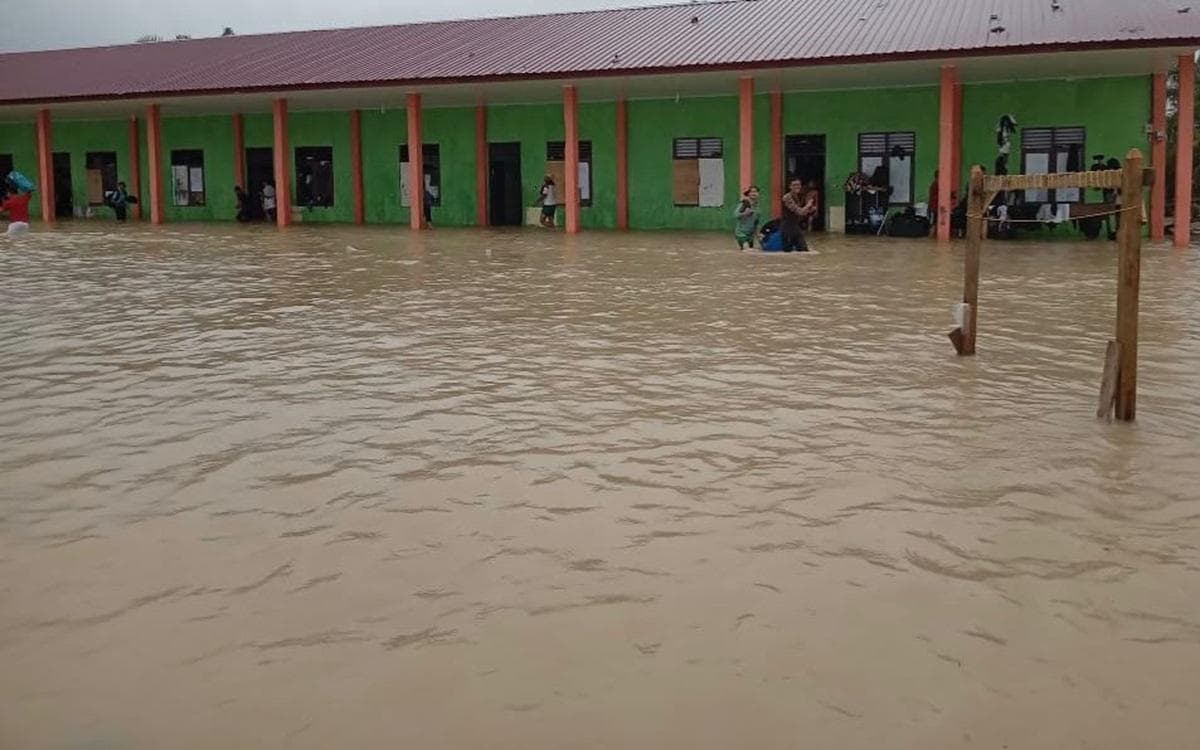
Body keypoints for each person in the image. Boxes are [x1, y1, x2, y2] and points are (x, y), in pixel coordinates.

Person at [780, 177, 812, 252]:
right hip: (787, 228)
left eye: (799, 184)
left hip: (795, 226)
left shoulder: (796, 196)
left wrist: (809, 210)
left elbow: (801, 213)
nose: (797, 186)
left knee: (803, 251)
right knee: (789, 252)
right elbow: (799, 212)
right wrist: (808, 205)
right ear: (790, 186)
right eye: (794, 185)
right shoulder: (787, 197)